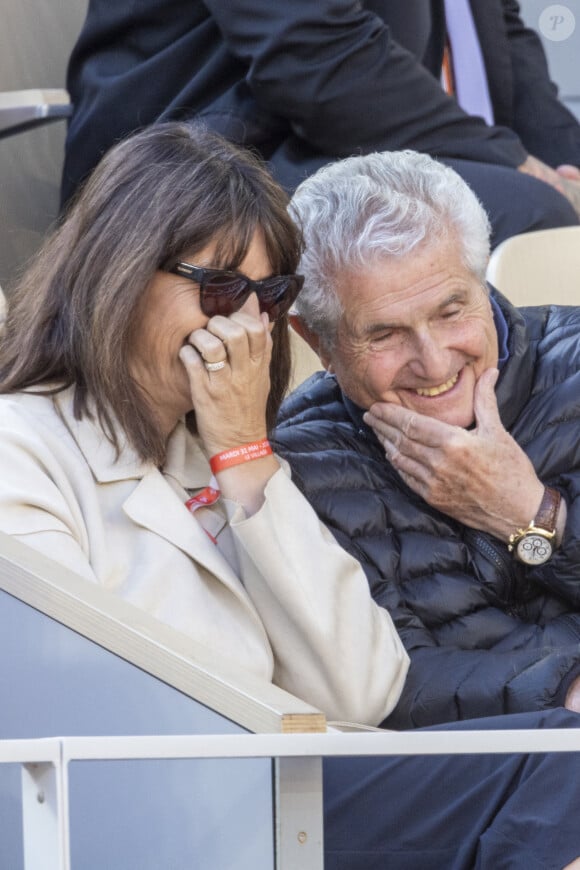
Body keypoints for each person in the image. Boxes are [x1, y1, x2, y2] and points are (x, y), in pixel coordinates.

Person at [2, 119, 580, 870]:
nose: (244, 323)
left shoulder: (230, 452)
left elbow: (361, 686)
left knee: (562, 766)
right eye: (218, 288)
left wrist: (244, 461)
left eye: (264, 295)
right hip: (169, 804)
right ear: (117, 273)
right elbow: (78, 703)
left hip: (289, 783)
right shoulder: (23, 447)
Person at [273, 147, 580, 731]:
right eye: (385, 333)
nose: (434, 362)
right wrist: (563, 693)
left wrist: (530, 513)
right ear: (317, 341)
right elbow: (391, 683)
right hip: (501, 780)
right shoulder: (300, 463)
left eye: (450, 311)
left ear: (480, 283)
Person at [60, 0, 580, 250]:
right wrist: (516, 163)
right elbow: (314, 55)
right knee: (529, 212)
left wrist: (565, 166)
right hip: (204, 163)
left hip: (350, 140)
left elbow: (501, 41)